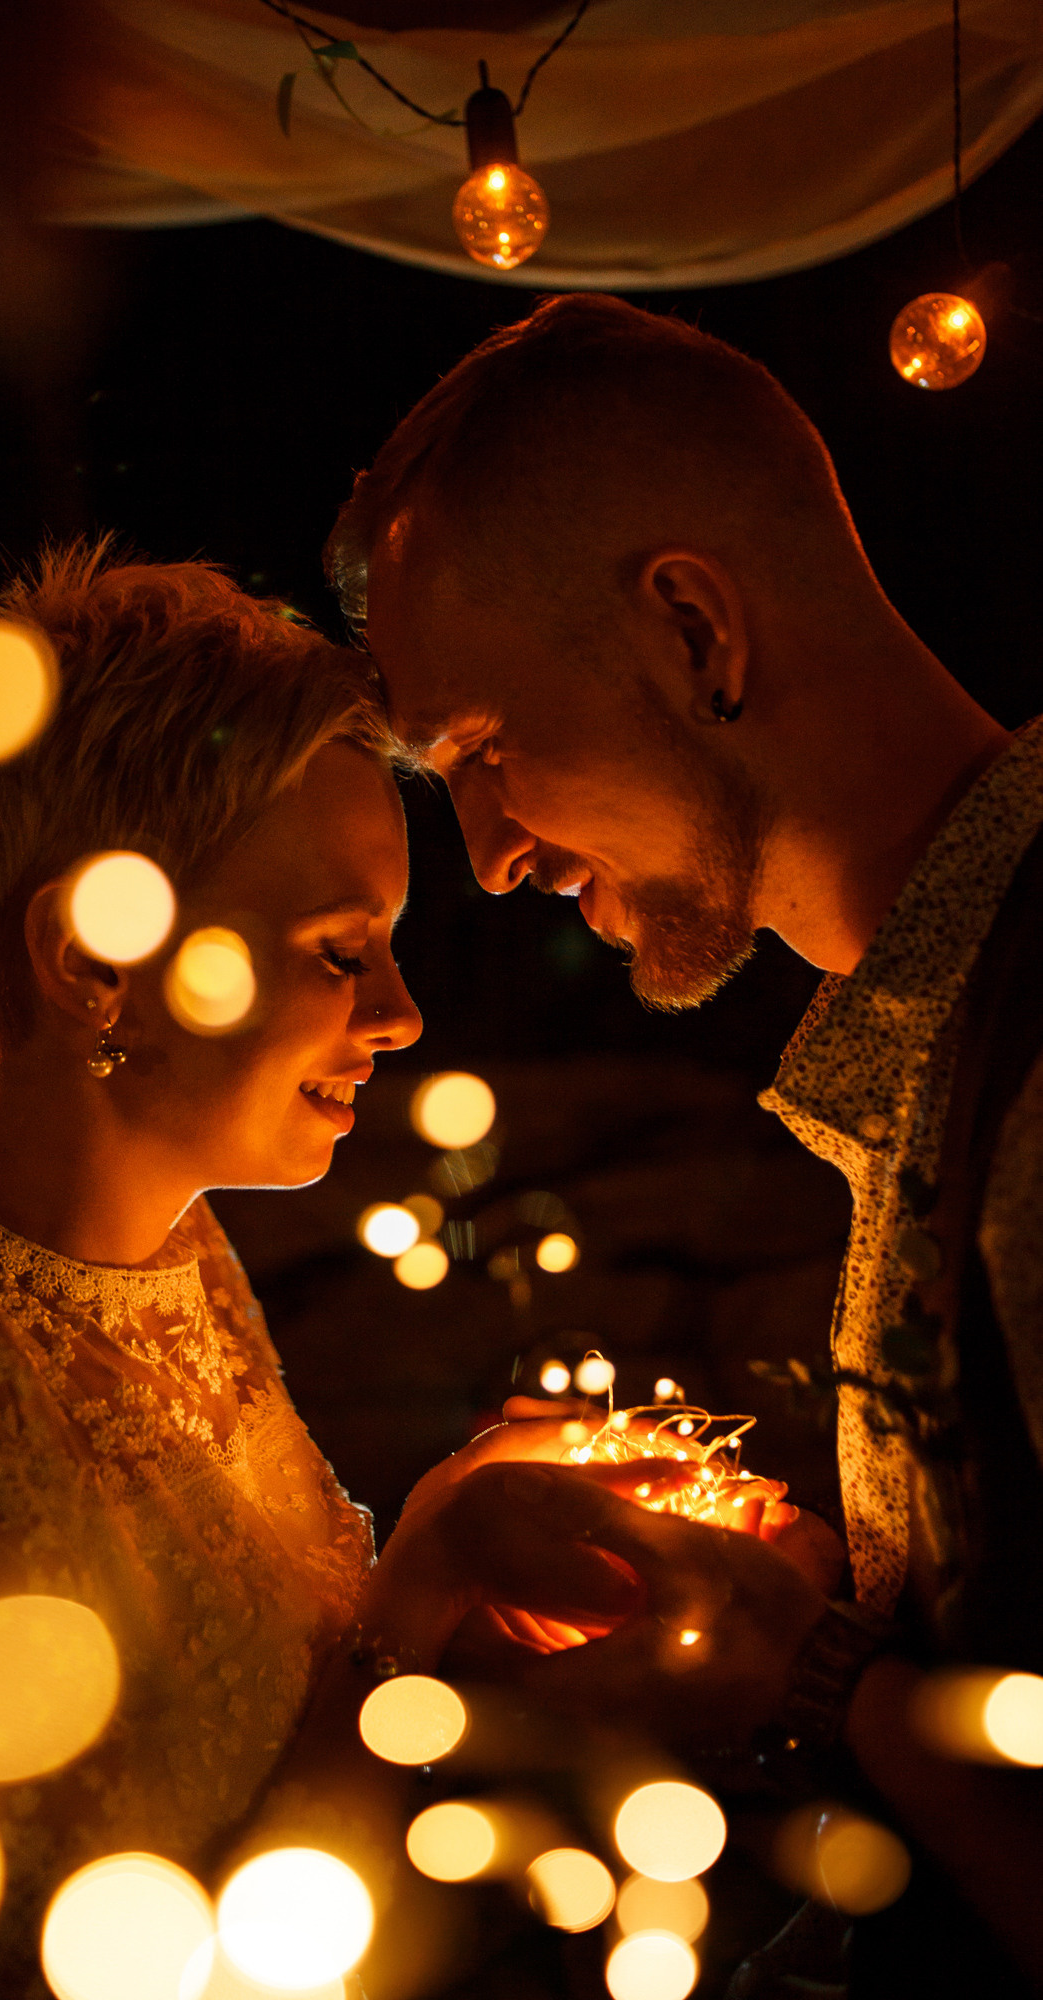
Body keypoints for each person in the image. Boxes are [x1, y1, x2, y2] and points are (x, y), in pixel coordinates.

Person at [0, 544, 678, 1996]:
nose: (400, 1012)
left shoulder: (180, 1264)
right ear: (93, 964)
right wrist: (422, 1569)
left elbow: (291, 1718)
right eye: (338, 951)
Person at [328, 294, 1043, 1995]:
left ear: (695, 633)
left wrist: (806, 1679)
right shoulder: (945, 1042)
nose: (491, 859)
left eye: (487, 752)